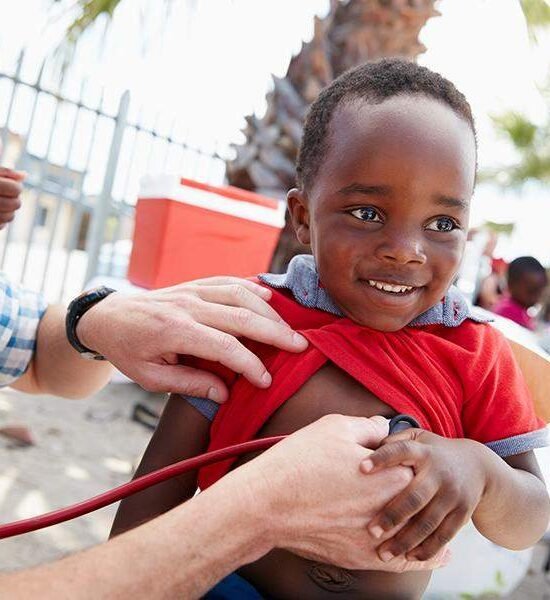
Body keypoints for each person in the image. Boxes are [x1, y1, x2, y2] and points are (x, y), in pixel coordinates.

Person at [111, 58, 550, 599]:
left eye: (442, 223)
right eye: (367, 213)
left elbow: (527, 521)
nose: (406, 251)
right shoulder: (250, 320)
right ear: (302, 218)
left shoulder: (475, 350)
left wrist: (480, 468)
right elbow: (155, 490)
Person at [493, 256, 548, 331]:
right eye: (531, 291)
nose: (537, 297)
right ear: (511, 284)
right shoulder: (509, 312)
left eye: (540, 291)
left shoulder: (522, 311)